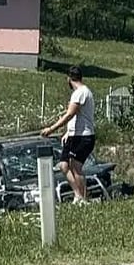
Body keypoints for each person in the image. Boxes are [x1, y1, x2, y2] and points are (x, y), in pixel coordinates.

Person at [41, 66, 96, 205]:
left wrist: (51, 129)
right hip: (73, 135)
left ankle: (84, 198)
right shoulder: (79, 93)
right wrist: (67, 132)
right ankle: (77, 195)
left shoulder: (80, 93)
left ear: (69, 79)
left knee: (76, 167)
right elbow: (78, 116)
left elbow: (70, 114)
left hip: (83, 136)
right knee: (64, 165)